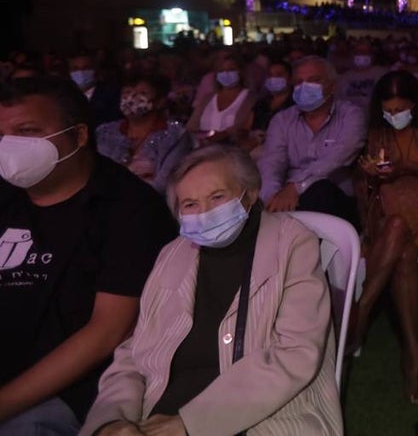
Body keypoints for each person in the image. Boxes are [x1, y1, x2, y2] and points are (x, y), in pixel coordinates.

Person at [78, 144, 343, 435]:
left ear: (250, 194)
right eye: (190, 204)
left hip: (264, 415)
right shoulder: (172, 254)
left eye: (217, 197)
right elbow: (135, 353)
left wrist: (190, 425)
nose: (204, 214)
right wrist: (111, 420)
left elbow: (295, 353)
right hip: (161, 413)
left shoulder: (291, 243)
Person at [0, 75, 177, 434]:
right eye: (3, 135)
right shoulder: (6, 196)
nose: (9, 146)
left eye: (27, 131)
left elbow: (107, 332)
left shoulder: (128, 208)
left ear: (78, 136)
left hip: (70, 391)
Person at [349, 70, 418, 403]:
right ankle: (413, 352)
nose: (393, 116)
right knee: (400, 241)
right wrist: (370, 176)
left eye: (400, 109)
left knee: (397, 229)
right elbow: (364, 185)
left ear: (414, 105)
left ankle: (363, 306)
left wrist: (408, 169)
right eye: (388, 109)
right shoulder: (377, 132)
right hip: (389, 217)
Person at [258, 54, 366, 226]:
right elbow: (272, 163)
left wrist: (296, 186)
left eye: (313, 80)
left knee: (320, 190)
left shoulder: (351, 115)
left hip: (338, 200)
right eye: (299, 82)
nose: (304, 87)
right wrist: (272, 197)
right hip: (289, 201)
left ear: (332, 86)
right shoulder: (282, 120)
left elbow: (336, 157)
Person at [95, 72, 194, 195]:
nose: (131, 98)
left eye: (142, 93)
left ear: (160, 101)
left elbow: (165, 184)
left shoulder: (176, 135)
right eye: (127, 93)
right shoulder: (104, 133)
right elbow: (95, 177)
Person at [184, 50, 257, 148]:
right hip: (202, 149)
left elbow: (241, 129)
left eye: (231, 69)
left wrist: (220, 136)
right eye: (221, 71)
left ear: (241, 71)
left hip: (231, 151)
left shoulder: (250, 98)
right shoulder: (208, 99)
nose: (226, 73)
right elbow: (191, 127)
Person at [67, 50, 122, 126]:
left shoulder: (112, 94)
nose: (81, 72)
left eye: (86, 68)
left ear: (95, 70)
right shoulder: (65, 95)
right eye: (75, 69)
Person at [335, 38, 389, 111]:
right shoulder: (343, 78)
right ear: (352, 55)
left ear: (372, 56)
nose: (362, 54)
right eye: (358, 52)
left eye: (365, 52)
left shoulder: (383, 74)